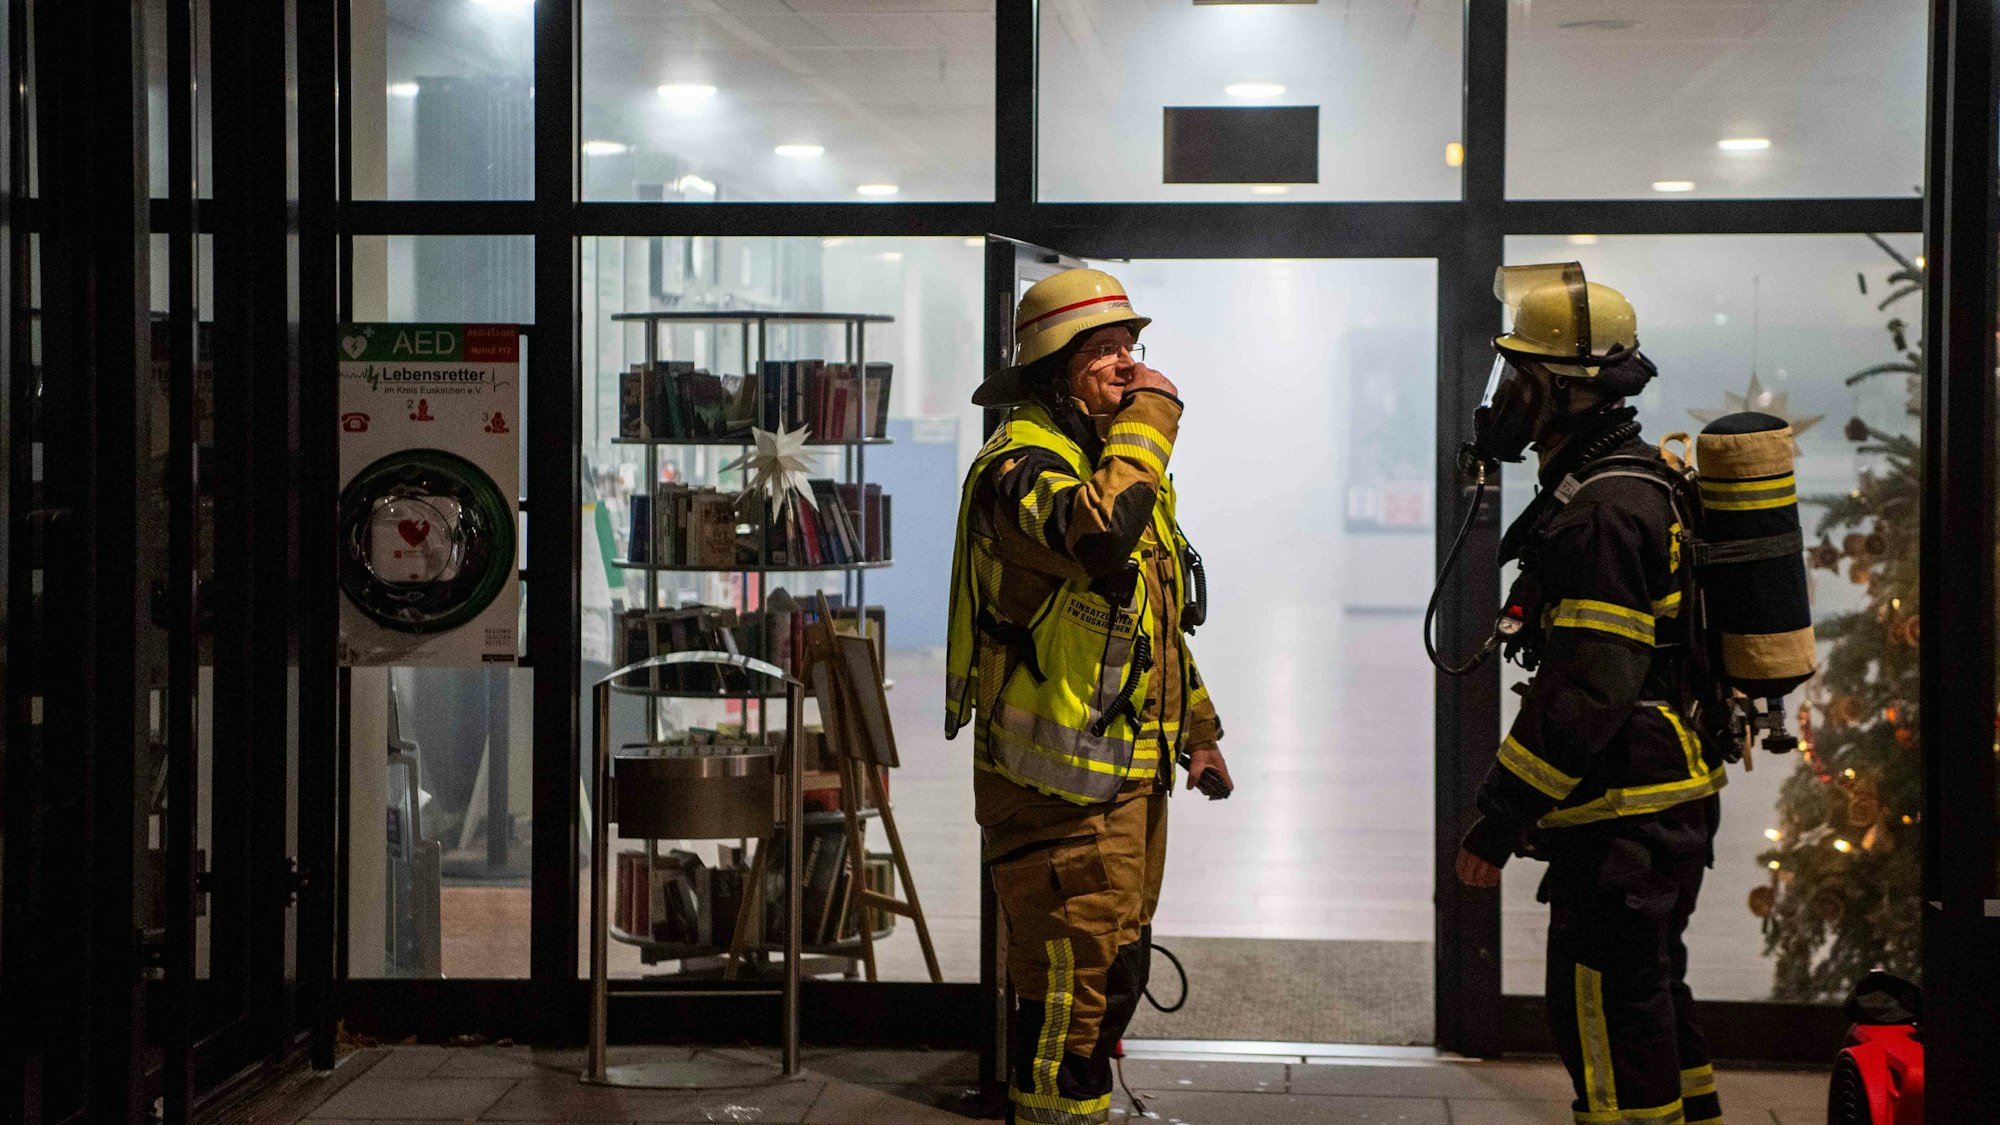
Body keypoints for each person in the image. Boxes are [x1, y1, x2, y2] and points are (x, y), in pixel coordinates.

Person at [945, 267, 1231, 1125]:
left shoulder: (1107, 464)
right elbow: (1098, 539)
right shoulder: (1020, 470)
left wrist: (1199, 732)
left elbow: (1153, 620)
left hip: (1126, 782)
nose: (1126, 365)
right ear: (1051, 367)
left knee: (1117, 979)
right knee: (1065, 1011)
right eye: (1102, 350)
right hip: (1051, 795)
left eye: (1129, 348)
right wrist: (1154, 415)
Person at [1454, 264, 1727, 1125]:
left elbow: (1588, 687)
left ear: (1568, 393)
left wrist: (1498, 817)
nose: (1505, 399)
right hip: (1658, 805)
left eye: (1521, 379)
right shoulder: (1635, 481)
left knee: (1606, 1021)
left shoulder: (1606, 511)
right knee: (1649, 998)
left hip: (1624, 816)